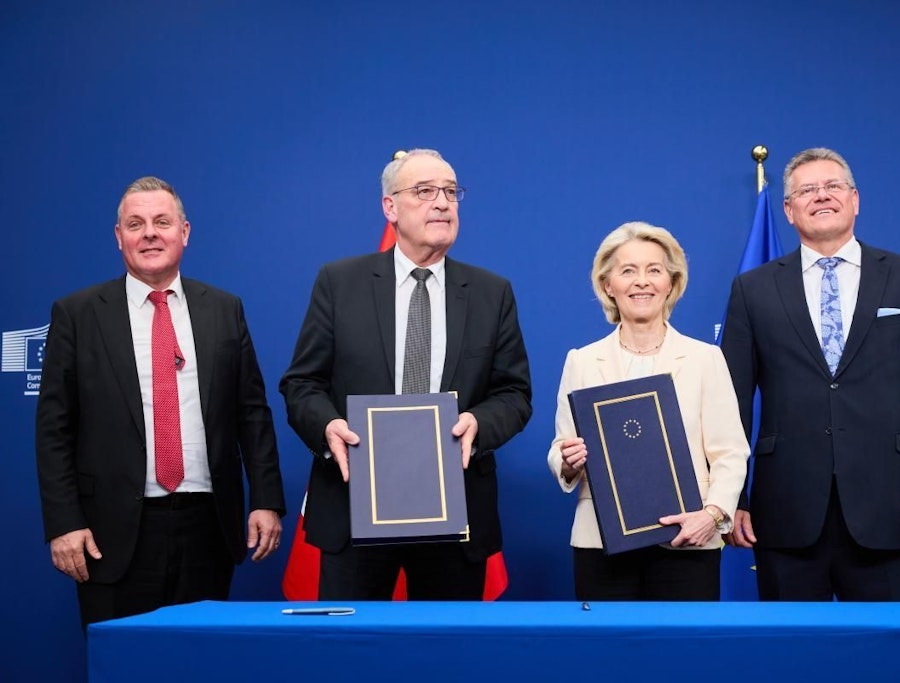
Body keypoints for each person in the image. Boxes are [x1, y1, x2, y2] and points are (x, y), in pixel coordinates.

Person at [279, 148, 532, 600]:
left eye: (451, 192)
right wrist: (328, 426)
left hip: (455, 512)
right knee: (353, 661)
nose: (442, 202)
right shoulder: (340, 283)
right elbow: (302, 384)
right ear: (389, 207)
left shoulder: (491, 293)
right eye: (425, 191)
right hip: (355, 504)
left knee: (446, 662)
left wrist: (479, 424)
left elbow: (513, 393)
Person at [36, 176, 287, 629]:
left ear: (184, 232)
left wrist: (266, 500)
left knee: (201, 664)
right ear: (119, 238)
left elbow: (252, 413)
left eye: (162, 222)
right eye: (136, 224)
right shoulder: (77, 314)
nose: (150, 233)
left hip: (207, 526)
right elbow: (54, 428)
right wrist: (63, 523)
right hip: (109, 535)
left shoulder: (224, 309)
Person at [720, 147, 900, 601]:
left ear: (855, 200)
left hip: (890, 508)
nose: (821, 196)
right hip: (785, 512)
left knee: (886, 663)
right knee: (792, 662)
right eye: (807, 190)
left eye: (833, 186)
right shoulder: (752, 289)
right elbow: (729, 402)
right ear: (788, 210)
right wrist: (732, 497)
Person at [547, 221, 749, 600]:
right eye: (628, 271)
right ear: (609, 285)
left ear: (671, 283)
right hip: (600, 542)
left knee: (682, 658)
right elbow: (562, 447)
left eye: (654, 270)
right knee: (607, 657)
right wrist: (568, 460)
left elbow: (730, 452)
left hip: (688, 538)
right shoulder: (582, 361)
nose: (642, 282)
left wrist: (713, 515)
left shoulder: (706, 359)